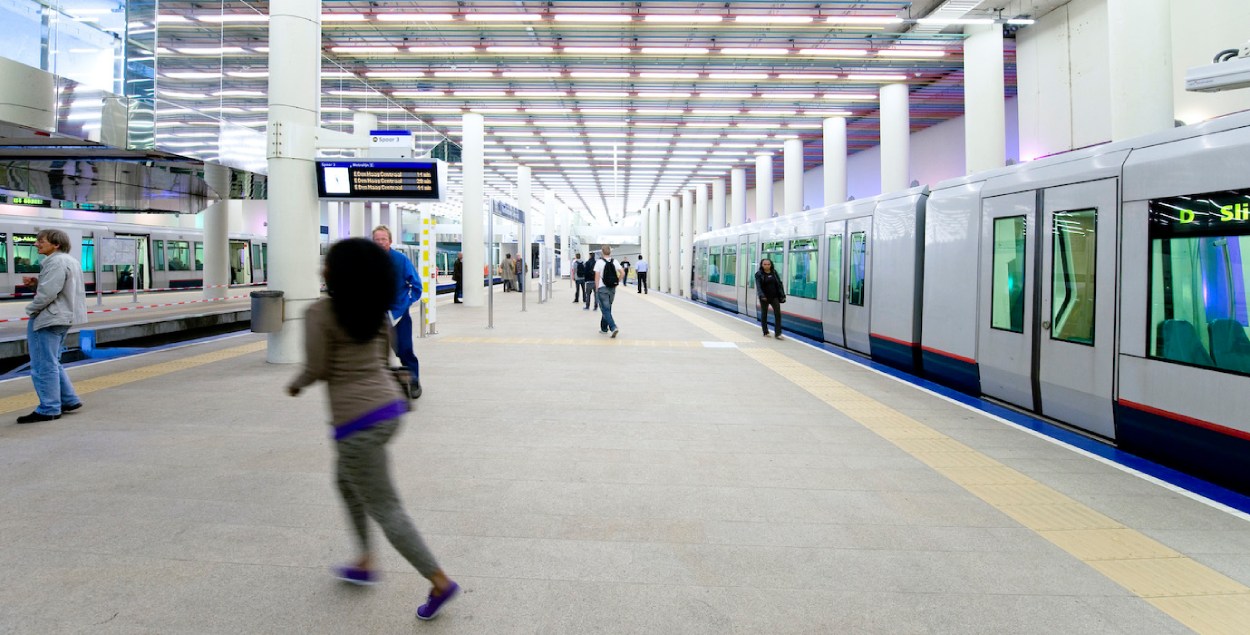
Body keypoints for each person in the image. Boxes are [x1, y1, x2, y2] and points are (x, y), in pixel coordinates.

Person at [287, 238, 459, 621]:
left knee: (386, 507)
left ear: (339, 274)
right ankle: (364, 558)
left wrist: (295, 383)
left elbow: (316, 368)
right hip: (389, 410)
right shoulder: (378, 314)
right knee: (345, 481)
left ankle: (439, 580)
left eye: (328, 264)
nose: (322, 269)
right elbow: (385, 357)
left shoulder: (320, 313)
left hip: (357, 422)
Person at [18, 230, 88, 423]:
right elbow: (60, 287)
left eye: (41, 241)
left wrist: (31, 310)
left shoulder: (55, 262)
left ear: (55, 244)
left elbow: (48, 293)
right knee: (53, 361)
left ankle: (49, 408)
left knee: (43, 364)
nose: (36, 244)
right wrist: (37, 283)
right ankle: (69, 400)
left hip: (50, 318)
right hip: (63, 317)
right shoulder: (70, 260)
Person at [372, 226, 422, 399]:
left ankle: (414, 379)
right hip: (374, 316)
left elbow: (416, 286)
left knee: (404, 349)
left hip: (399, 315)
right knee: (374, 353)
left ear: (390, 241)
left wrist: (405, 303)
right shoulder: (366, 261)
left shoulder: (400, 260)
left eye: (383, 239)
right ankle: (380, 386)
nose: (380, 242)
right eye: (377, 239)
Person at [755, 258, 786, 340]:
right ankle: (765, 331)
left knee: (778, 314)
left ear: (771, 264)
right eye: (765, 264)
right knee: (764, 314)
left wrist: (782, 295)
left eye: (768, 264)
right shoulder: (758, 274)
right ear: (762, 265)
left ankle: (778, 333)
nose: (767, 266)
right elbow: (758, 286)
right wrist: (762, 295)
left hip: (774, 296)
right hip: (764, 297)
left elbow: (779, 284)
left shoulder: (774, 273)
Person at [595, 245, 620, 338]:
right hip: (612, 289)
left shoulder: (599, 262)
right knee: (607, 309)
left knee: (605, 309)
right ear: (610, 252)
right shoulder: (615, 261)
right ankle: (604, 329)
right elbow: (623, 272)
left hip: (602, 289)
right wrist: (617, 282)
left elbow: (597, 276)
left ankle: (613, 327)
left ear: (602, 252)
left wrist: (597, 289)